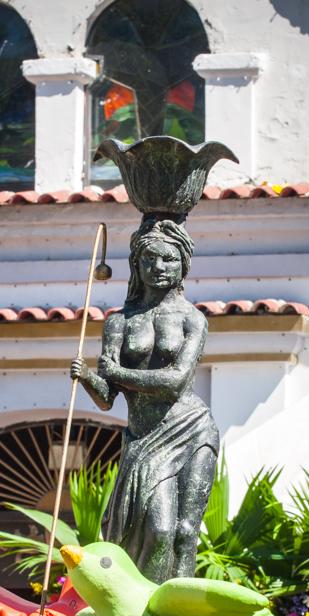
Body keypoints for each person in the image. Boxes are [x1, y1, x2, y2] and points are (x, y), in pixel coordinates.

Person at [71, 218, 218, 583]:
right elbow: (107, 399)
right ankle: (143, 614)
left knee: (185, 532)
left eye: (169, 259)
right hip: (145, 438)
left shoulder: (192, 319)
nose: (159, 268)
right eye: (149, 259)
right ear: (136, 265)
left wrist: (117, 373)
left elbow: (174, 383)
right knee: (159, 529)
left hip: (191, 428)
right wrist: (88, 376)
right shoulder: (119, 323)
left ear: (184, 263)